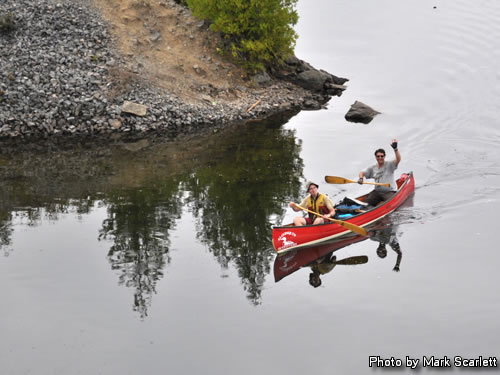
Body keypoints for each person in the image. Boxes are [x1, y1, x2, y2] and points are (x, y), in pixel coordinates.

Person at [358, 138, 401, 207]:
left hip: (389, 192)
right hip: (377, 192)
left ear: (384, 156)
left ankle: (381, 206)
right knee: (365, 204)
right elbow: (362, 173)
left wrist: (395, 149)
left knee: (389, 205)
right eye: (378, 156)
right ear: (375, 157)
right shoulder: (372, 168)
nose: (380, 158)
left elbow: (398, 159)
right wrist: (361, 178)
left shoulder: (390, 165)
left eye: (382, 156)